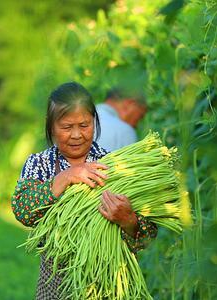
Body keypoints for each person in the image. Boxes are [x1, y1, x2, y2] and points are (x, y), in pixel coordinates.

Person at [11, 82, 157, 299]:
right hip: (55, 281)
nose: (77, 135)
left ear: (95, 122)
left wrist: (129, 220)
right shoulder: (40, 163)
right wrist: (65, 178)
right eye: (67, 127)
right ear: (50, 126)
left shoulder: (113, 165)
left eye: (84, 125)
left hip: (107, 279)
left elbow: (148, 235)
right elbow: (23, 210)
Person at [95, 88, 147, 152]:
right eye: (140, 116)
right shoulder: (125, 131)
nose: (136, 126)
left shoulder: (82, 116)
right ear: (130, 103)